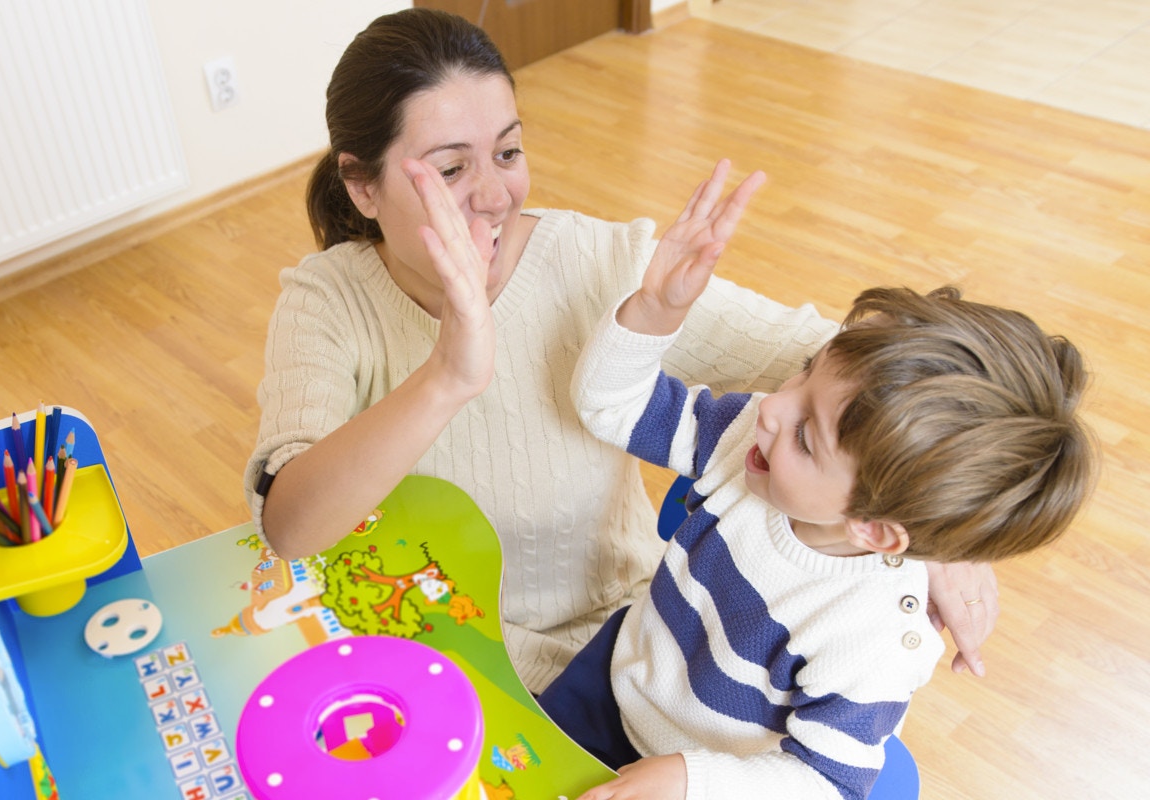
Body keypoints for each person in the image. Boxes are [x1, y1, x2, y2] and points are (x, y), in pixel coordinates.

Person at [244, 7, 997, 695]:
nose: (495, 195)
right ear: (362, 185)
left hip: (628, 652)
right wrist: (447, 375)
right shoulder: (326, 300)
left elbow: (852, 361)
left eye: (507, 152)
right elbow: (291, 527)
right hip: (427, 655)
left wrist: (935, 523)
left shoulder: (602, 263)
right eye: (449, 169)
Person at [537, 172, 1095, 800]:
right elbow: (611, 407)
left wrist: (691, 779)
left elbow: (826, 781)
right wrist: (656, 310)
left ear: (875, 529)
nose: (772, 407)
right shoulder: (748, 439)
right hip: (613, 689)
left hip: (720, 779)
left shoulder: (873, 641)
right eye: (803, 375)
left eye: (807, 434)